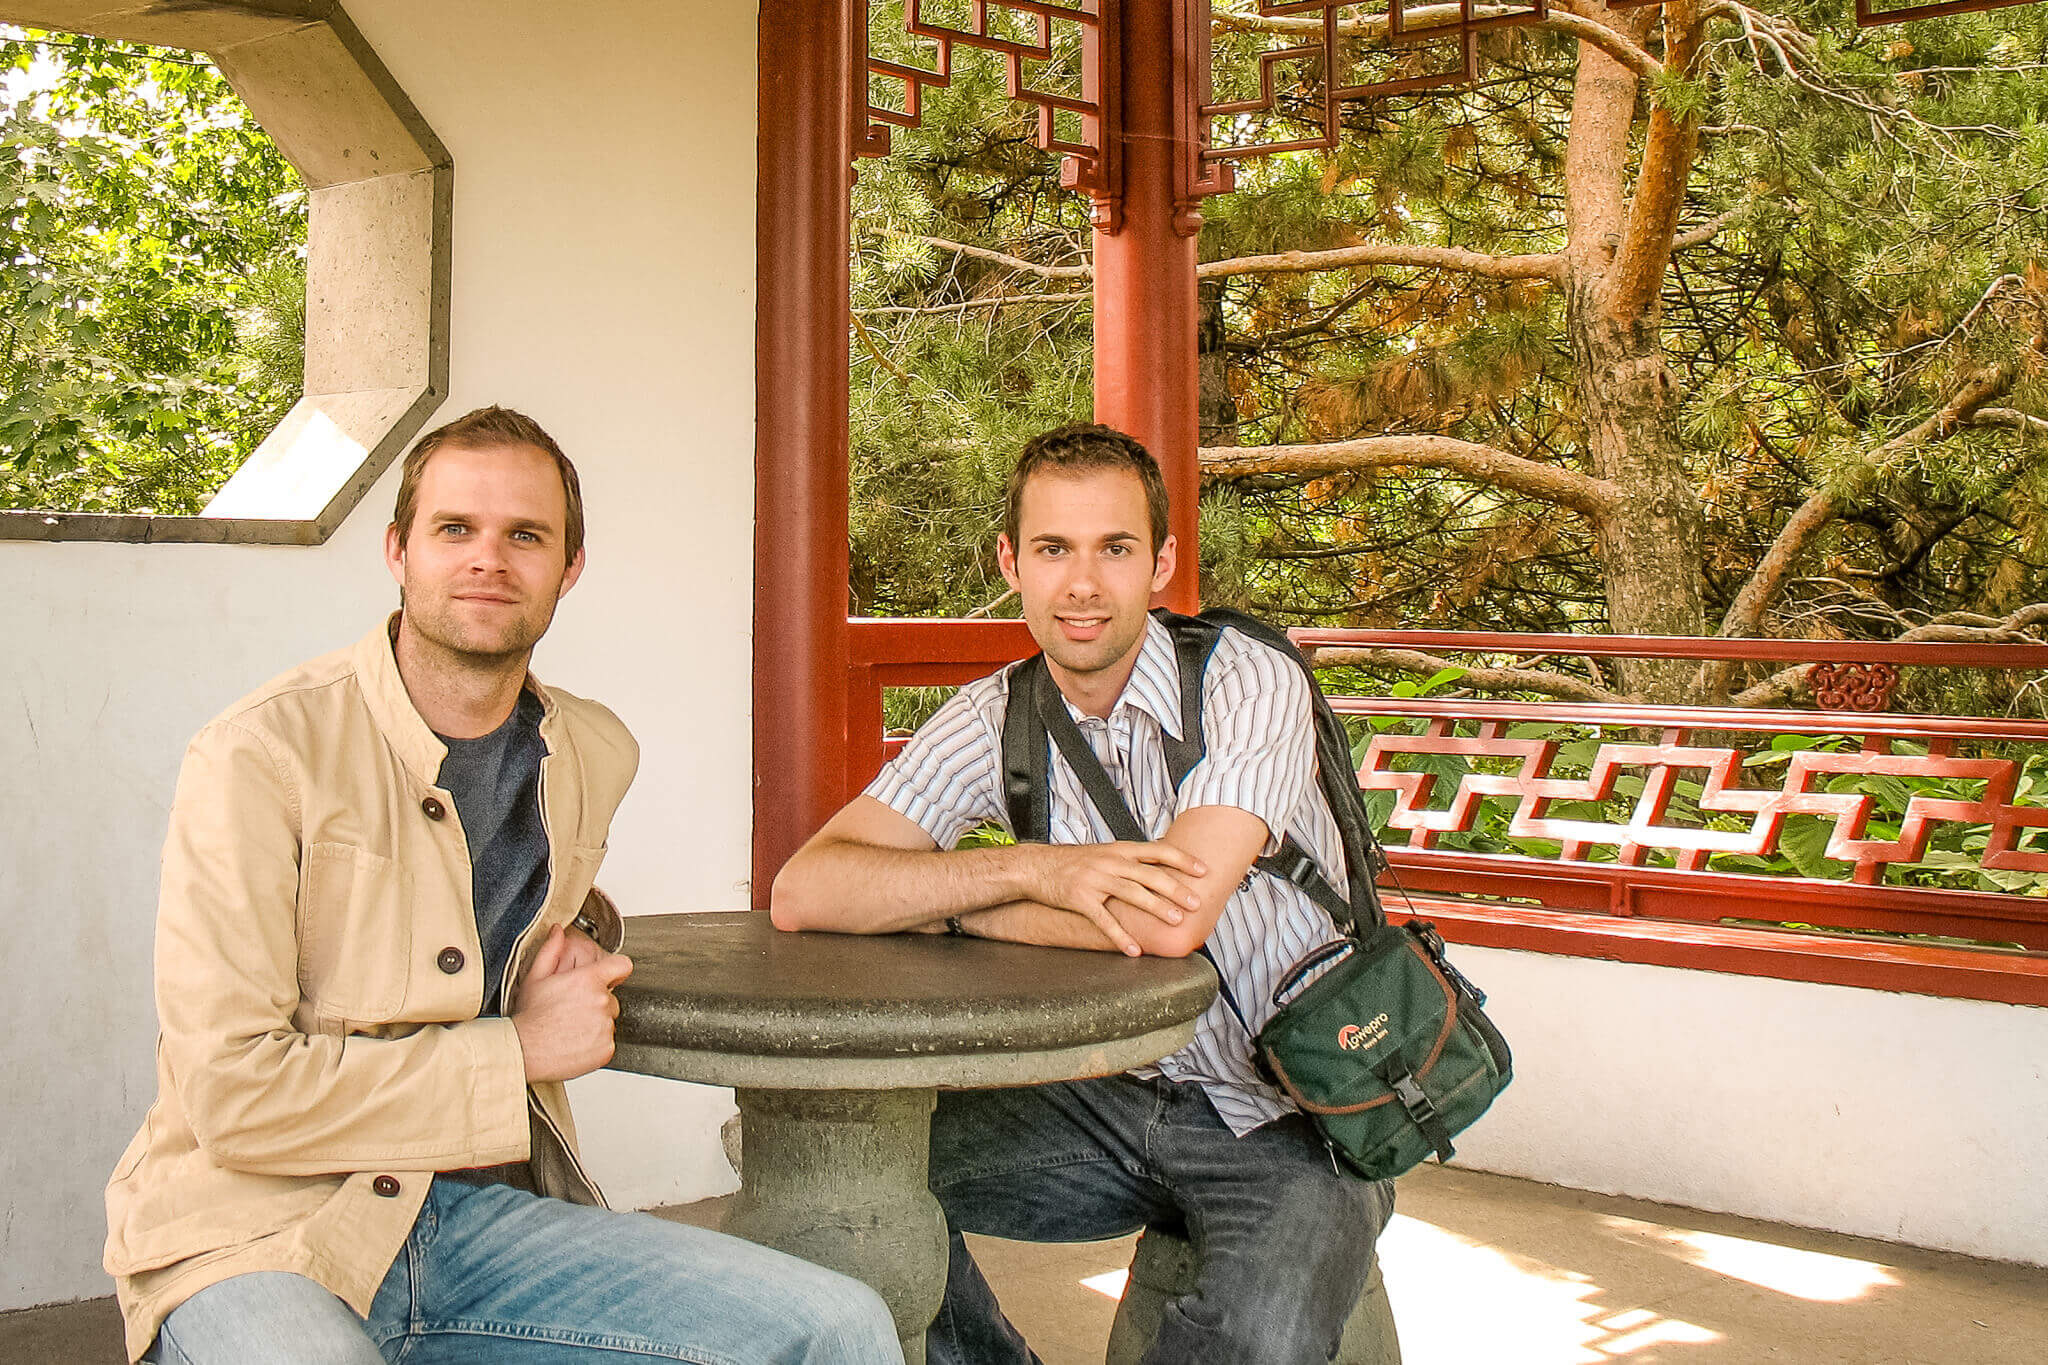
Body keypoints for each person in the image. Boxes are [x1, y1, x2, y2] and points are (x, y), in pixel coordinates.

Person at [104, 406, 902, 1365]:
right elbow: (233, 1094)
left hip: (480, 1217)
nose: (489, 559)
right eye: (455, 530)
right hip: (254, 1233)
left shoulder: (594, 750)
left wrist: (583, 930)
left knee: (839, 1328)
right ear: (398, 551)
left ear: (569, 568)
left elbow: (506, 890)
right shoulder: (260, 754)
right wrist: (517, 1047)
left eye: (526, 535)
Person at [772, 423, 1395, 1364]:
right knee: (839, 1190)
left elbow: (1168, 917)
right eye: (1053, 548)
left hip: (1298, 1107)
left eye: (1115, 548)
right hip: (1108, 1091)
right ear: (1011, 562)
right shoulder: (998, 715)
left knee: (1254, 1341)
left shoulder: (1248, 680)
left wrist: (948, 900)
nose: (1082, 583)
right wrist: (1033, 868)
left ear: (1162, 562)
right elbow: (806, 888)